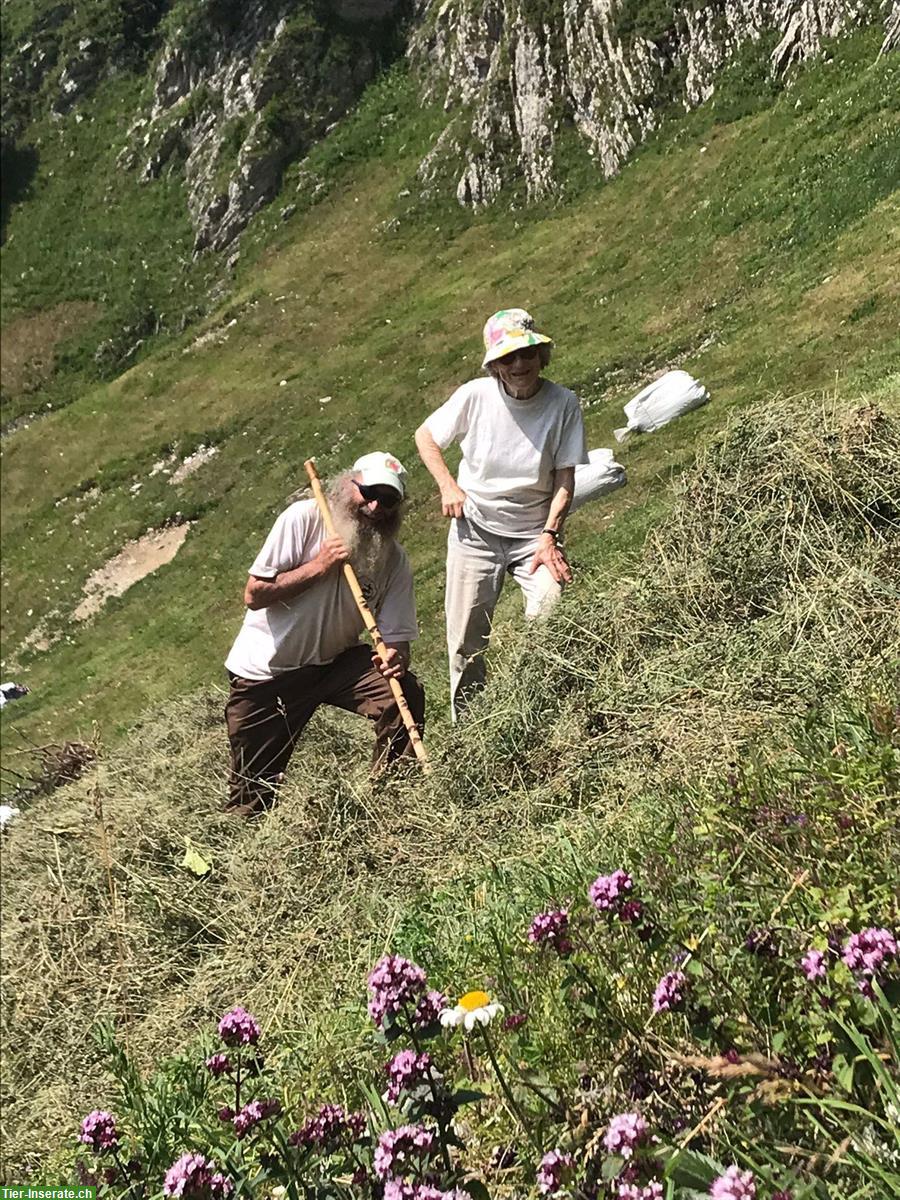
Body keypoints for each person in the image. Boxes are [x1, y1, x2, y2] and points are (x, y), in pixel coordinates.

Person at [223, 452, 424, 815]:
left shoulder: (393, 559)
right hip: (269, 675)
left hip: (335, 665)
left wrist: (397, 658)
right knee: (250, 797)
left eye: (389, 499)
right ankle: (244, 844)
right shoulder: (303, 519)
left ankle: (394, 804)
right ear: (349, 484)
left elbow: (397, 638)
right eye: (369, 492)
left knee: (401, 692)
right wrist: (321, 565)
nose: (376, 506)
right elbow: (255, 594)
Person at [415, 308, 588, 719]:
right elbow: (426, 436)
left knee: (550, 611)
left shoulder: (563, 404)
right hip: (475, 530)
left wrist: (550, 536)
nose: (519, 365)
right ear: (495, 364)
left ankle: (543, 705)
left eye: (527, 354)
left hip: (534, 532)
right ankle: (471, 731)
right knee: (465, 639)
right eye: (507, 358)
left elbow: (565, 477)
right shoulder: (475, 396)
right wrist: (448, 486)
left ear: (540, 355)